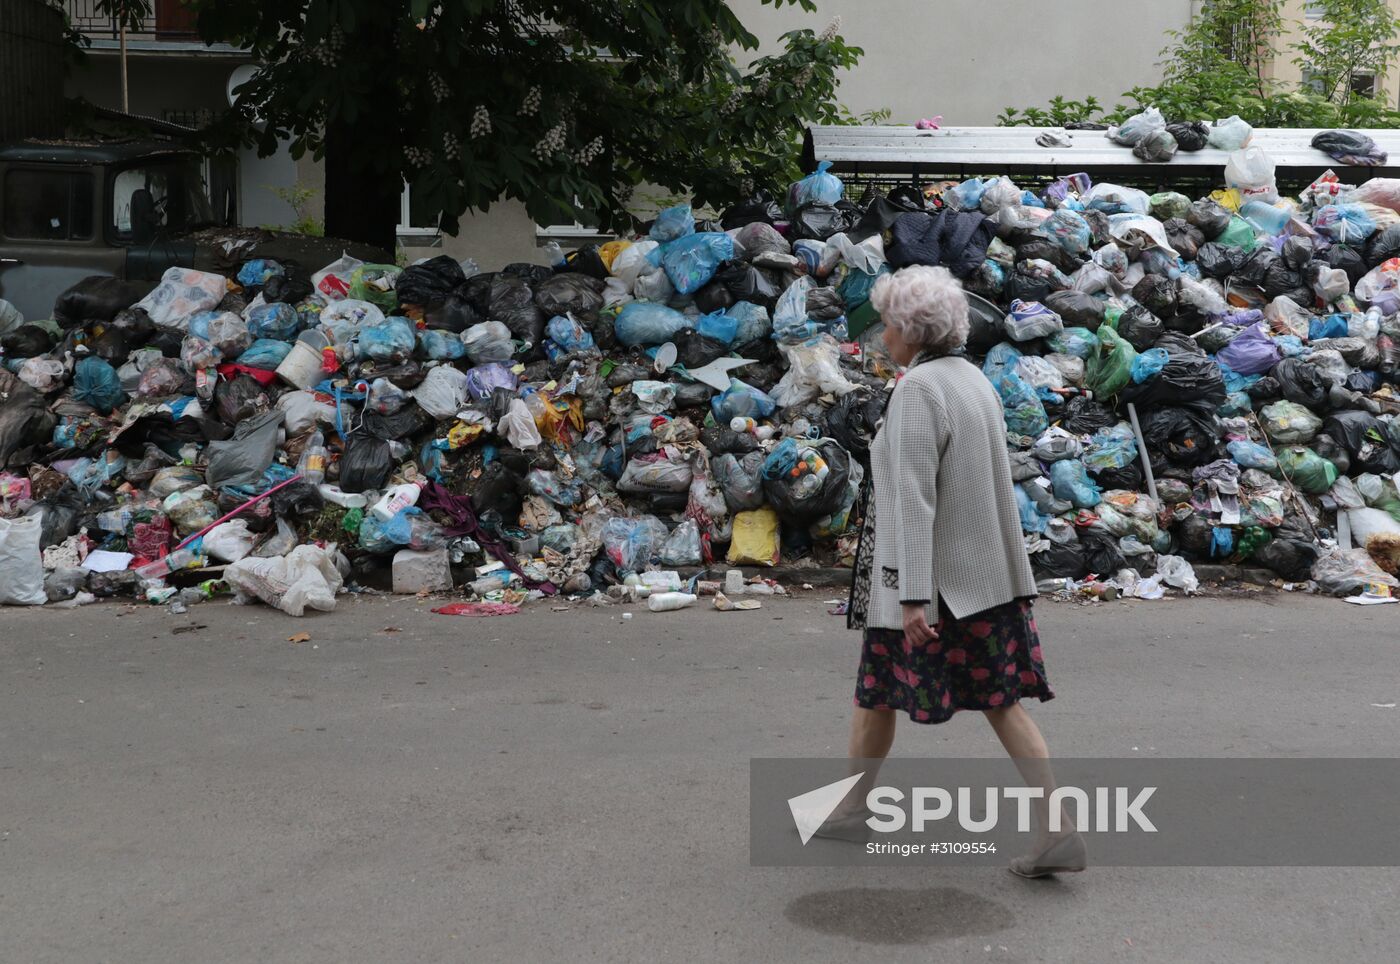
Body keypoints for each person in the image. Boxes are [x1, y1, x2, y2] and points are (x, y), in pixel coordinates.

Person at [827, 264, 1084, 877]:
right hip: (984, 577)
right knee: (904, 695)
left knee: (912, 693)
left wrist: (913, 597)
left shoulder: (919, 389)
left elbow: (916, 497)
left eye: (888, 325)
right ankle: (854, 808)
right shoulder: (972, 379)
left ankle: (1057, 829)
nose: (882, 337)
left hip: (935, 587)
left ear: (911, 330)